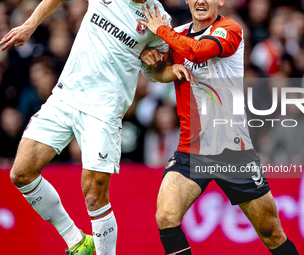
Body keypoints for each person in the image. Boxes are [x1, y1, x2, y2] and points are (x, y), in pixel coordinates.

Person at [0, 0, 193, 254]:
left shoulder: (158, 17)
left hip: (104, 111)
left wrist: (166, 68)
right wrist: (30, 25)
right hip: (65, 96)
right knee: (21, 173)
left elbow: (154, 72)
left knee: (94, 197)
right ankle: (77, 241)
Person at [137, 1, 300, 254]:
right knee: (166, 216)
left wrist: (162, 31)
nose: (201, 0)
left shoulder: (229, 28)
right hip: (190, 150)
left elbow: (199, 51)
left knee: (271, 232)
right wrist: (153, 62)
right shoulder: (176, 34)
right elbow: (157, 73)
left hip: (233, 150)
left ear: (220, 1)